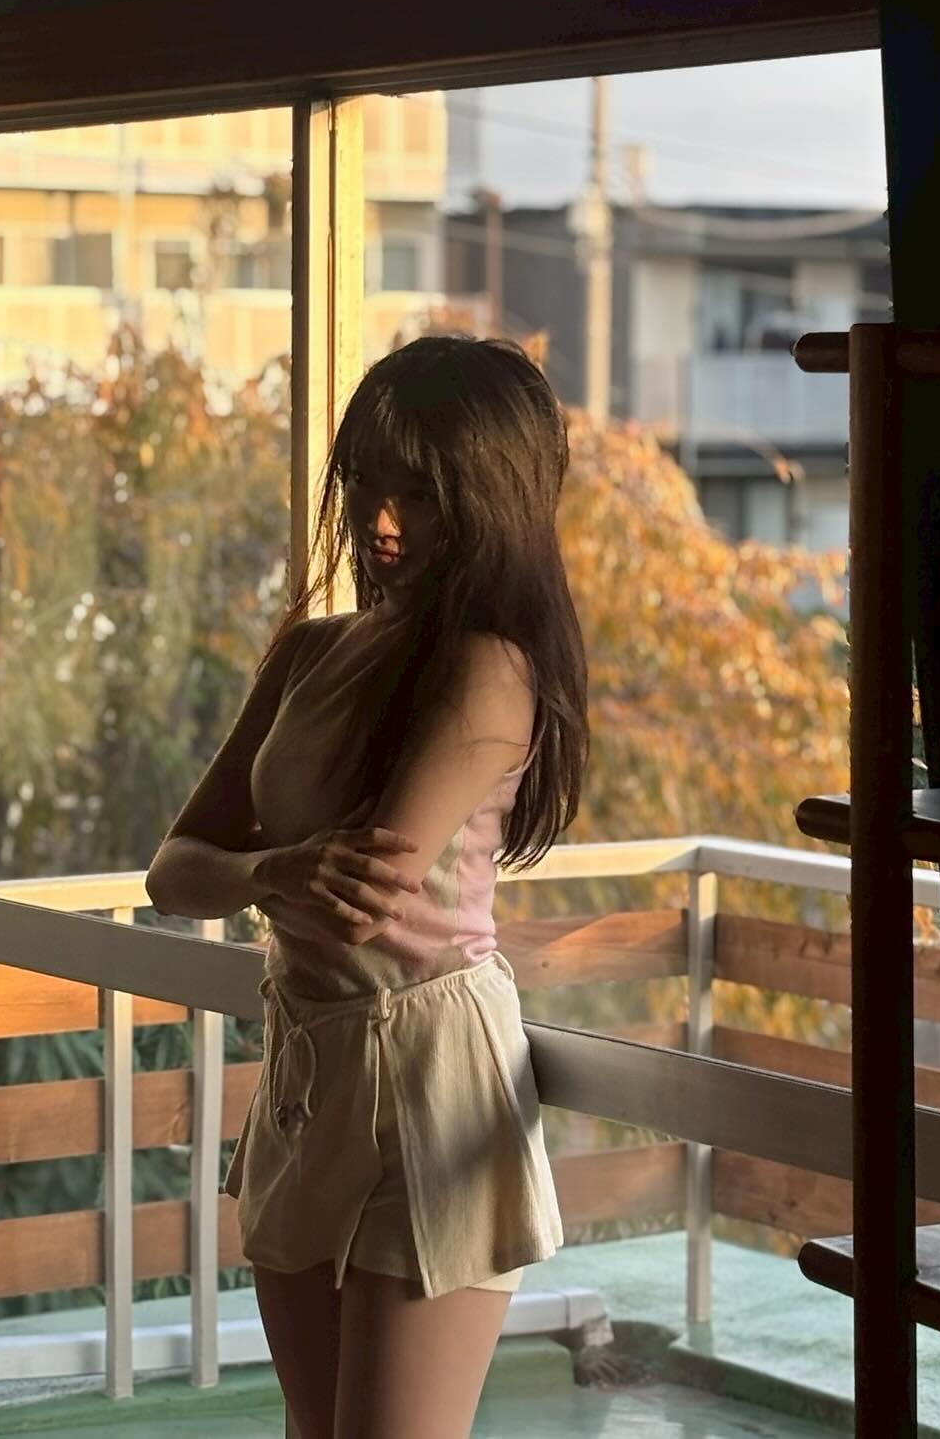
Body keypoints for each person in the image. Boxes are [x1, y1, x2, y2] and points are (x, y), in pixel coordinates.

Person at [146, 334, 589, 1439]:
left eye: (419, 495)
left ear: (490, 501)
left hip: (433, 1074)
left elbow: (359, 898)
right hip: (308, 1062)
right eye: (365, 483)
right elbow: (174, 871)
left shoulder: (489, 666)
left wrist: (259, 872)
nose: (380, 522)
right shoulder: (310, 652)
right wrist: (270, 870)